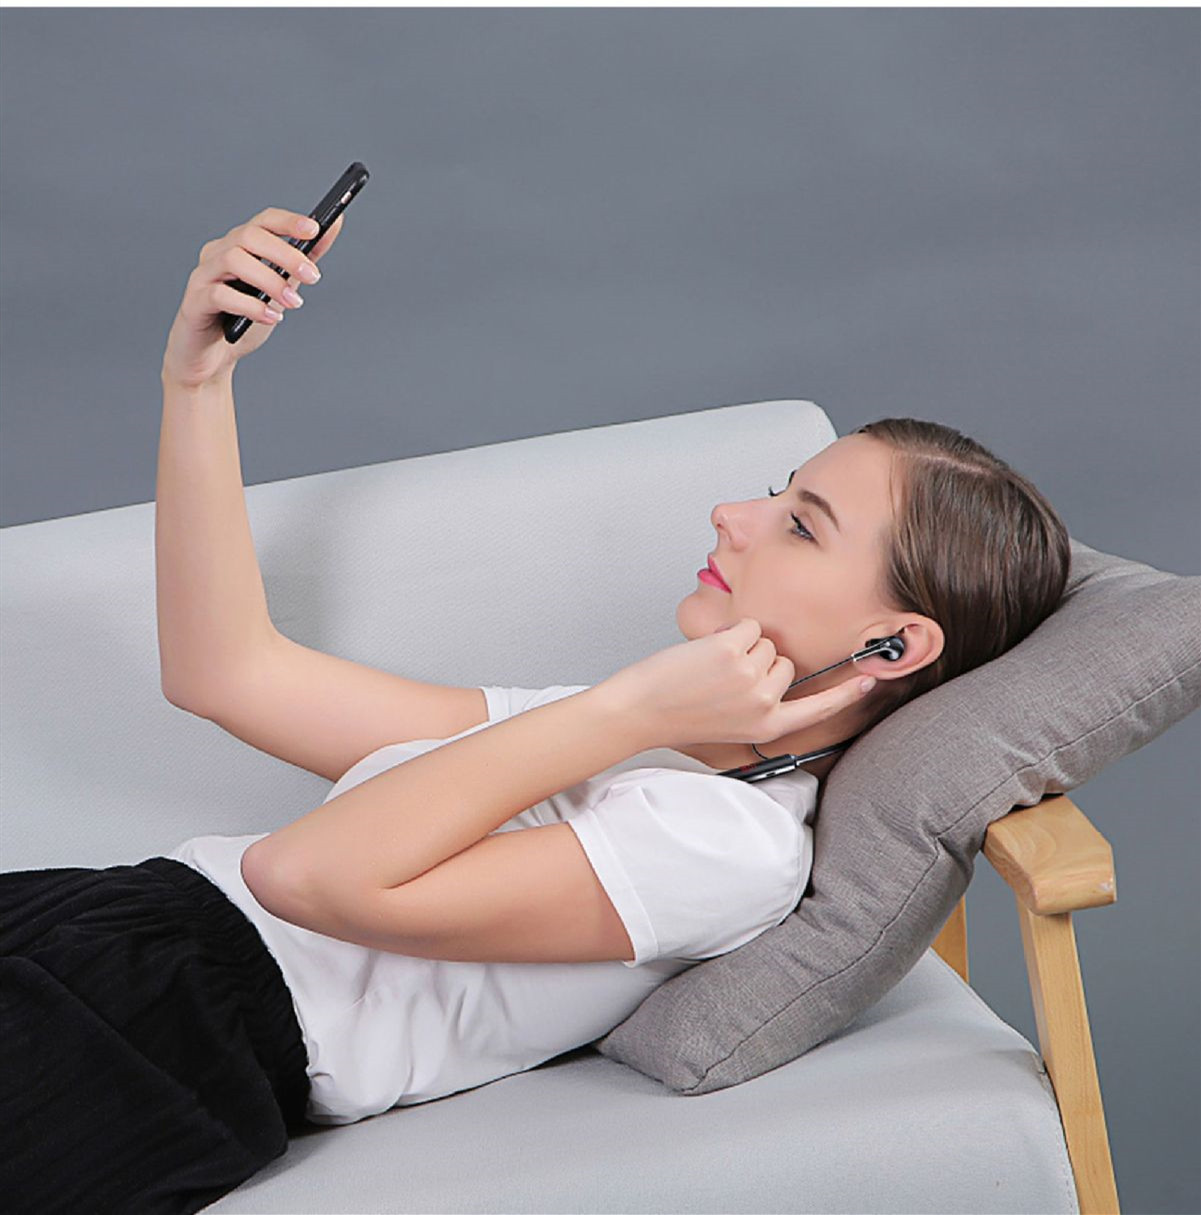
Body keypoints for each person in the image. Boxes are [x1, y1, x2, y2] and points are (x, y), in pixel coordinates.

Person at [0, 207, 1071, 1215]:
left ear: (893, 646)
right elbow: (226, 674)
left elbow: (306, 878)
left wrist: (629, 709)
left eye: (800, 524)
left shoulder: (730, 843)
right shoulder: (622, 731)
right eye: (777, 489)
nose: (731, 515)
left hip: (161, 1032)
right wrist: (197, 383)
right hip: (110, 915)